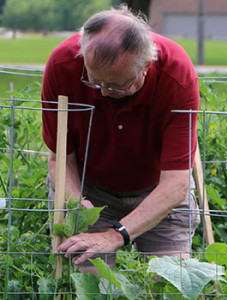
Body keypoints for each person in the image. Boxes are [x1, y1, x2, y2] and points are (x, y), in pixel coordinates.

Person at [42, 5, 200, 271]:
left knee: (170, 281)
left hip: (159, 192)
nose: (103, 92)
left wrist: (116, 236)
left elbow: (175, 184)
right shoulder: (63, 65)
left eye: (116, 86)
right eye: (94, 81)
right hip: (88, 188)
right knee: (92, 282)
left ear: (146, 67)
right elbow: (60, 160)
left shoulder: (176, 75)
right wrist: (77, 205)